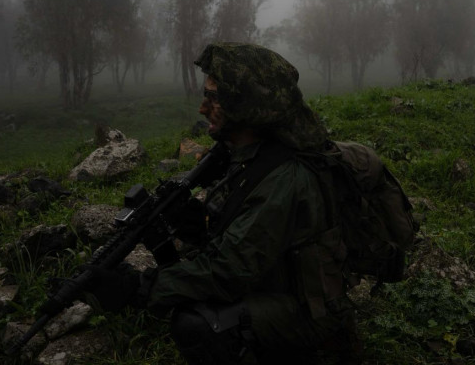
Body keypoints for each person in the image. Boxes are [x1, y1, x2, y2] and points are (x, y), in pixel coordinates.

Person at [138, 43, 355, 364]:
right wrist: (198, 230)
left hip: (311, 311)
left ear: (245, 105)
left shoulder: (284, 176)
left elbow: (228, 272)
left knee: (198, 325)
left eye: (214, 97)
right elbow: (241, 242)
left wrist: (140, 288)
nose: (202, 108)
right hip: (271, 285)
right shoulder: (244, 155)